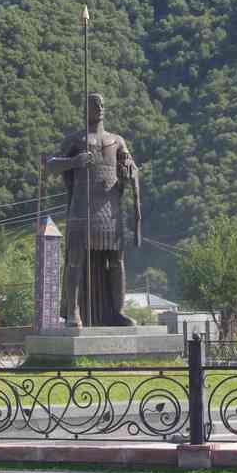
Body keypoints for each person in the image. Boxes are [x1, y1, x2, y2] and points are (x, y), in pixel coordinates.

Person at [46, 93, 142, 327]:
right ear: (85, 109)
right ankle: (73, 312)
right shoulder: (75, 140)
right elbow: (50, 166)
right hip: (82, 210)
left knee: (116, 262)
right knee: (75, 261)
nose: (99, 107)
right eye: (94, 104)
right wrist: (74, 162)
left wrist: (130, 170)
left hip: (110, 211)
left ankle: (118, 311)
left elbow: (133, 168)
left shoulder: (117, 140)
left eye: (101, 104)